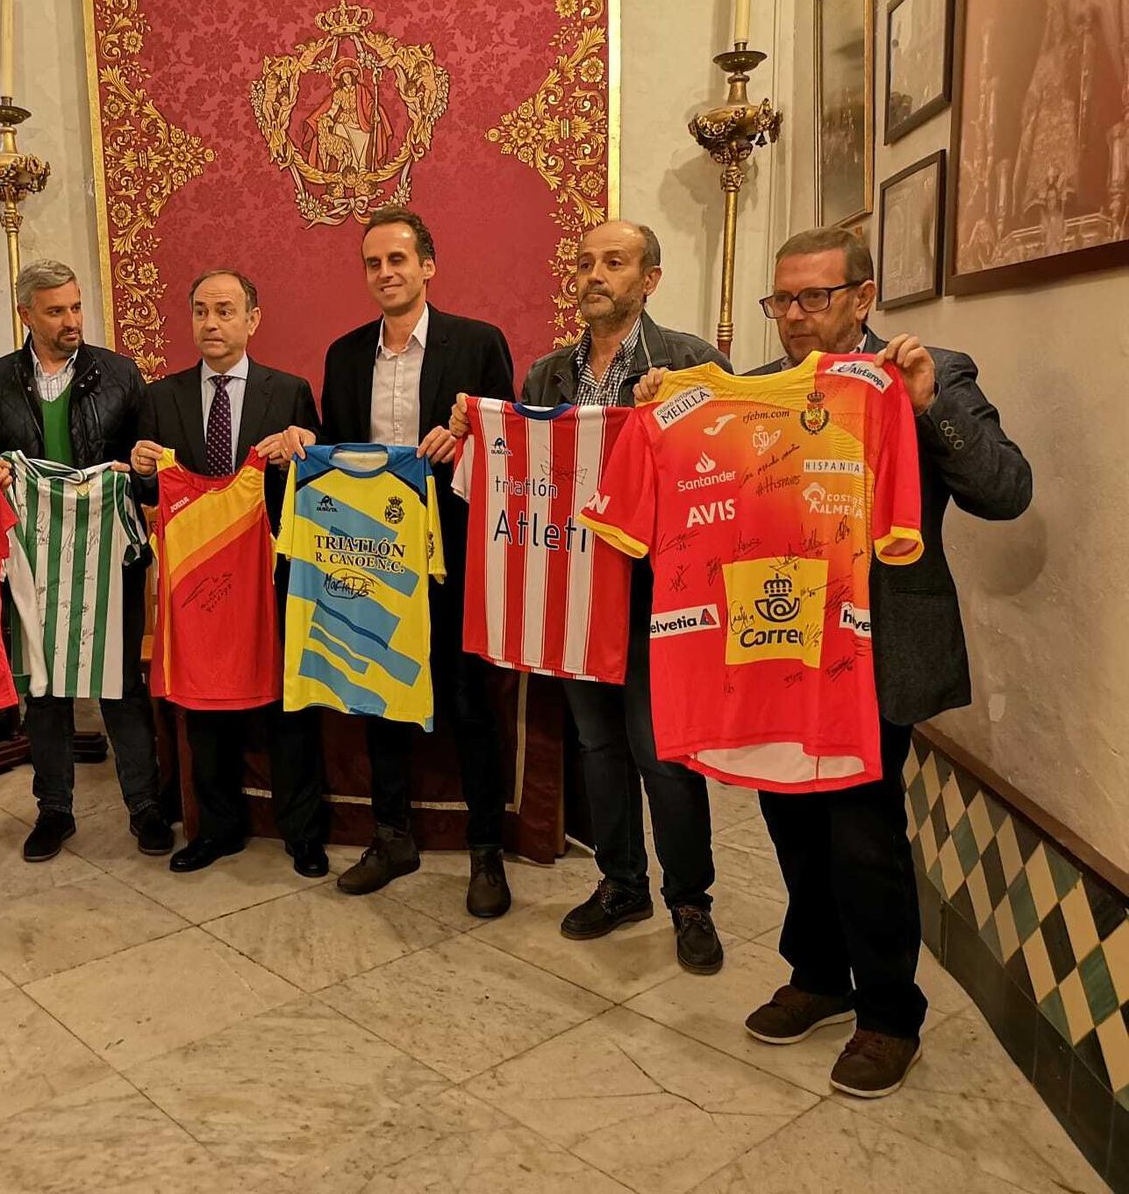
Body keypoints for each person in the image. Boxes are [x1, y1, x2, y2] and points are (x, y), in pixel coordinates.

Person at [664, 226, 1031, 1097]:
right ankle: (819, 977)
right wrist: (665, 403)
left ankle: (888, 1013)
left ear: (862, 297)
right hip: (774, 638)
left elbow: (1007, 491)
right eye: (780, 299)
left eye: (812, 298)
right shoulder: (754, 390)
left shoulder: (930, 370)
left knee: (863, 836)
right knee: (789, 815)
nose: (792, 317)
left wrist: (926, 403)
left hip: (874, 647)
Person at [449, 219, 731, 974]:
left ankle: (690, 899)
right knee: (599, 747)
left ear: (650, 279)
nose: (594, 274)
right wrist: (471, 432)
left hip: (653, 598)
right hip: (570, 594)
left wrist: (678, 412)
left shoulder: (689, 361)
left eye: (615, 262)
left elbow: (726, 469)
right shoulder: (545, 377)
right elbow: (519, 465)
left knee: (661, 754)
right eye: (584, 262)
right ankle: (622, 883)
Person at [315, 205, 516, 918]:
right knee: (380, 692)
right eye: (373, 263)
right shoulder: (342, 356)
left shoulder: (478, 343)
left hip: (456, 553)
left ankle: (488, 851)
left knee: (469, 702)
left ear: (427, 266)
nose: (385, 274)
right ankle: (391, 835)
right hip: (373, 555)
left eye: (397, 260)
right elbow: (334, 455)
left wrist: (467, 437)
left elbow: (511, 450)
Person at [0, 260, 173, 861]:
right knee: (45, 687)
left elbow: (149, 477)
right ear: (25, 314)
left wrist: (138, 468)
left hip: (108, 551)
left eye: (77, 307)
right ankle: (54, 810)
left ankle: (145, 806)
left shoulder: (120, 375)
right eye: (56, 311)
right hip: (31, 555)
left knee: (122, 683)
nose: (71, 321)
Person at [130, 270, 328, 877]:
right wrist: (140, 467)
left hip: (271, 575)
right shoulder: (161, 397)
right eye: (200, 311)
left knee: (288, 709)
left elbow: (318, 481)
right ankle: (216, 829)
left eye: (224, 311)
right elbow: (151, 489)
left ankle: (302, 833)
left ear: (252, 319)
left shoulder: (288, 390)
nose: (211, 324)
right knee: (205, 707)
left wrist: (304, 442)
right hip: (199, 582)